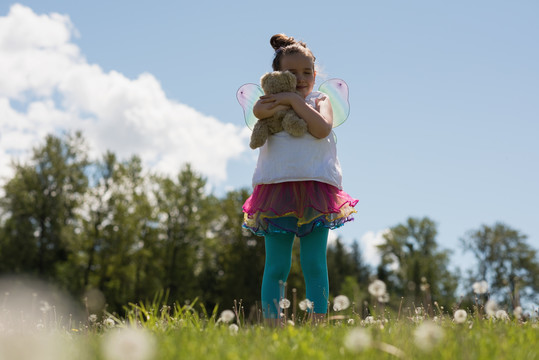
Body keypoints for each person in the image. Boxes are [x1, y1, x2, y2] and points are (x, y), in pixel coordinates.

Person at [242, 33, 358, 323]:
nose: (302, 77)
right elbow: (259, 111)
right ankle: (272, 324)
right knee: (277, 265)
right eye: (292, 73)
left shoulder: (321, 100)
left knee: (314, 262)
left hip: (316, 190)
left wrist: (295, 100)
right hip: (276, 191)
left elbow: (321, 129)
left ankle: (317, 323)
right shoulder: (268, 101)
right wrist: (286, 98)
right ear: (277, 76)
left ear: (315, 74)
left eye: (307, 72)